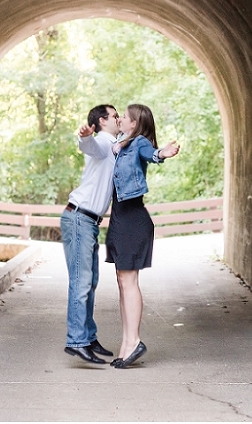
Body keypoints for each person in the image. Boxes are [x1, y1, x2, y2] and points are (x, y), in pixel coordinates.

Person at [105, 104, 180, 368]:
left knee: (129, 281)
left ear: (134, 124)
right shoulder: (120, 146)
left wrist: (164, 153)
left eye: (124, 117)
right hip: (119, 218)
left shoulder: (138, 144)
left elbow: (152, 153)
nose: (120, 119)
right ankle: (126, 344)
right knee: (122, 281)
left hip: (133, 219)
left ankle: (134, 340)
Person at [61, 104, 121, 364]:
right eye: (115, 116)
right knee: (81, 281)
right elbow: (90, 146)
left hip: (89, 222)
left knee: (90, 282)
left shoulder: (114, 145)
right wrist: (85, 136)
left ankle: (88, 335)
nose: (119, 119)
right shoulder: (102, 142)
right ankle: (76, 341)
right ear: (102, 122)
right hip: (79, 218)